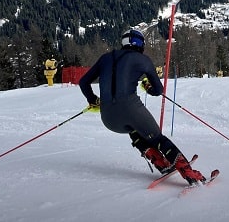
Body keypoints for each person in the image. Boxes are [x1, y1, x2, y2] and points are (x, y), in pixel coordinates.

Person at [79, 28, 206, 185]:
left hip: (108, 119)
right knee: (157, 137)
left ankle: (160, 162)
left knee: (135, 131)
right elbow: (159, 90)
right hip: (130, 109)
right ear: (140, 44)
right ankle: (188, 173)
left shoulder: (105, 58)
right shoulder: (141, 59)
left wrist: (93, 100)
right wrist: (148, 88)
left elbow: (83, 82)